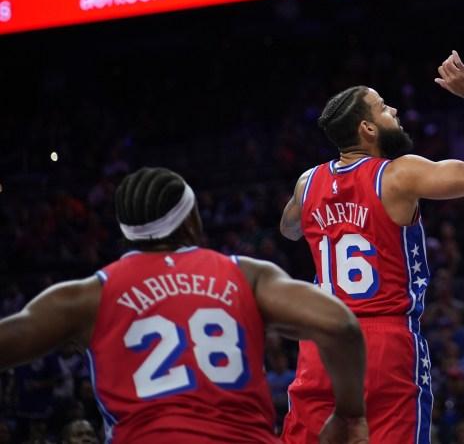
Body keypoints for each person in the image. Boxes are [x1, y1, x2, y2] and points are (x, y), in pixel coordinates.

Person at [0, 167, 367, 444]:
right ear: (192, 219)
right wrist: (349, 414)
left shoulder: (87, 296)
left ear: (127, 231)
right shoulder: (246, 274)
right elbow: (340, 325)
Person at [280, 51, 464, 444]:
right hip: (384, 342)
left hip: (323, 344)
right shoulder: (398, 174)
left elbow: (289, 230)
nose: (395, 110)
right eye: (384, 108)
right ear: (368, 128)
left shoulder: (308, 182)